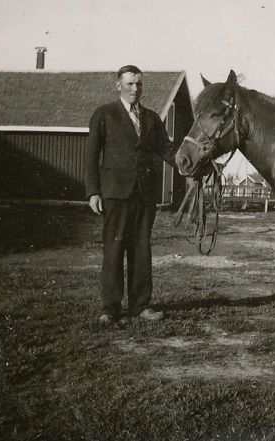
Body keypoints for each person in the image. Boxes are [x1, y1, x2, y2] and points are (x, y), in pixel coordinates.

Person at [85, 65, 176, 325]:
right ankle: (109, 309)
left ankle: (141, 306)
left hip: (145, 196)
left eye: (139, 84)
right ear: (118, 85)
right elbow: (92, 156)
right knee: (113, 250)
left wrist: (190, 164)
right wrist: (93, 192)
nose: (135, 89)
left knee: (141, 251)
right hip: (115, 194)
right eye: (130, 84)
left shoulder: (151, 118)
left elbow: (167, 150)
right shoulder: (104, 114)